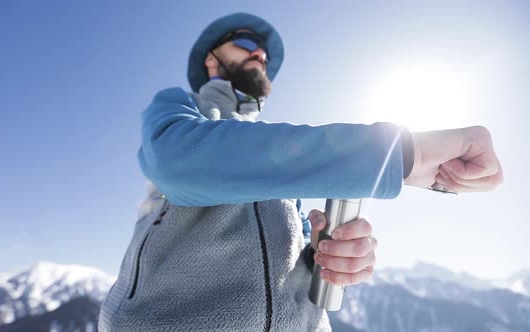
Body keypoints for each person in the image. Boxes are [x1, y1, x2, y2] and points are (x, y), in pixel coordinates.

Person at [99, 13, 503, 331]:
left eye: (264, 55)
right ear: (212, 59)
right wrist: (402, 157)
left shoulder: (280, 160)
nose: (259, 55)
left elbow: (296, 260)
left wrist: (327, 256)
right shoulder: (178, 109)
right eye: (245, 44)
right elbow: (179, 162)